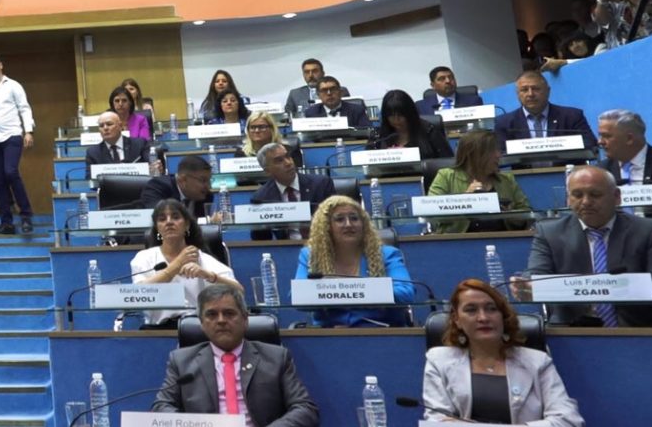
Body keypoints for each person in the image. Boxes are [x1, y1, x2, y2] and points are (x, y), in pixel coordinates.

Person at [513, 166, 652, 327]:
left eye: (595, 194)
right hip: (573, 329)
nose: (586, 202)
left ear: (616, 197)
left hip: (641, 327)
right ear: (568, 199)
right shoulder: (549, 232)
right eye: (577, 195)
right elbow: (537, 277)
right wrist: (526, 286)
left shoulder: (650, 230)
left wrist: (605, 287)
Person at [423, 278, 585, 426]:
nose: (483, 317)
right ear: (457, 320)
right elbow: (437, 422)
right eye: (471, 310)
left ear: (503, 316)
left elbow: (568, 420)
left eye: (491, 309)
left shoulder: (538, 361)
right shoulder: (438, 360)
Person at [151, 281, 318, 423]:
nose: (221, 320)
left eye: (229, 313)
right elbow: (161, 407)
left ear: (245, 320)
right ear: (202, 324)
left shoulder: (276, 357)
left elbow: (305, 409)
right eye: (212, 315)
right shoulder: (181, 361)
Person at [293, 196, 415, 327]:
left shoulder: (387, 254)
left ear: (363, 224)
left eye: (354, 218)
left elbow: (406, 293)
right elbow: (298, 298)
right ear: (326, 227)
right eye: (340, 219)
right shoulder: (311, 256)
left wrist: (358, 290)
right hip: (329, 335)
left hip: (380, 332)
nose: (348, 224)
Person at [132, 200, 243, 327]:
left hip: (196, 327)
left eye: (175, 217)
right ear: (157, 228)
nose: (169, 222)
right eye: (162, 219)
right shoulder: (144, 258)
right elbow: (138, 295)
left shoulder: (201, 258)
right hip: (158, 329)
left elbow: (239, 291)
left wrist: (207, 275)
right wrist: (177, 265)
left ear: (187, 225)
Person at [427, 130, 533, 235]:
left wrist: (510, 215)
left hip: (501, 240)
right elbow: (432, 213)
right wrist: (466, 200)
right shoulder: (446, 176)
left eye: (498, 150)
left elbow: (527, 214)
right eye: (492, 151)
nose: (498, 155)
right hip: (458, 242)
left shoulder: (506, 180)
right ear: (474, 154)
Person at [0, 53, 36, 235]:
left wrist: (28, 131)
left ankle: (26, 215)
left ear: (0, 65)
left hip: (12, 136)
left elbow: (24, 108)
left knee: (10, 172)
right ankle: (6, 223)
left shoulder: (13, 85)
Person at [494, 71, 594, 149]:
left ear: (548, 91)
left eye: (536, 89)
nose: (530, 94)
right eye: (524, 90)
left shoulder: (572, 116)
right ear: (517, 94)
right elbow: (501, 154)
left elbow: (590, 145)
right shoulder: (503, 123)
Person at [373, 91, 451, 158]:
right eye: (391, 115)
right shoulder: (378, 136)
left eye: (400, 115)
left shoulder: (429, 130)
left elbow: (447, 160)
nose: (396, 119)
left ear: (410, 113)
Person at [141, 155, 214, 219]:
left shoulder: (205, 196)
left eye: (209, 180)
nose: (208, 186)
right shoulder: (158, 187)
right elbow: (161, 218)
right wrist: (206, 221)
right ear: (183, 180)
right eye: (203, 180)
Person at [302, 75, 369, 129]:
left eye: (333, 89)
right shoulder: (311, 113)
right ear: (318, 95)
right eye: (324, 90)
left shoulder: (357, 110)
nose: (329, 93)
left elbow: (367, 131)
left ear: (340, 92)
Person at [419, 66, 483, 114]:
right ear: (433, 85)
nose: (448, 81)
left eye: (451, 77)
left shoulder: (474, 101)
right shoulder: (421, 106)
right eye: (442, 79)